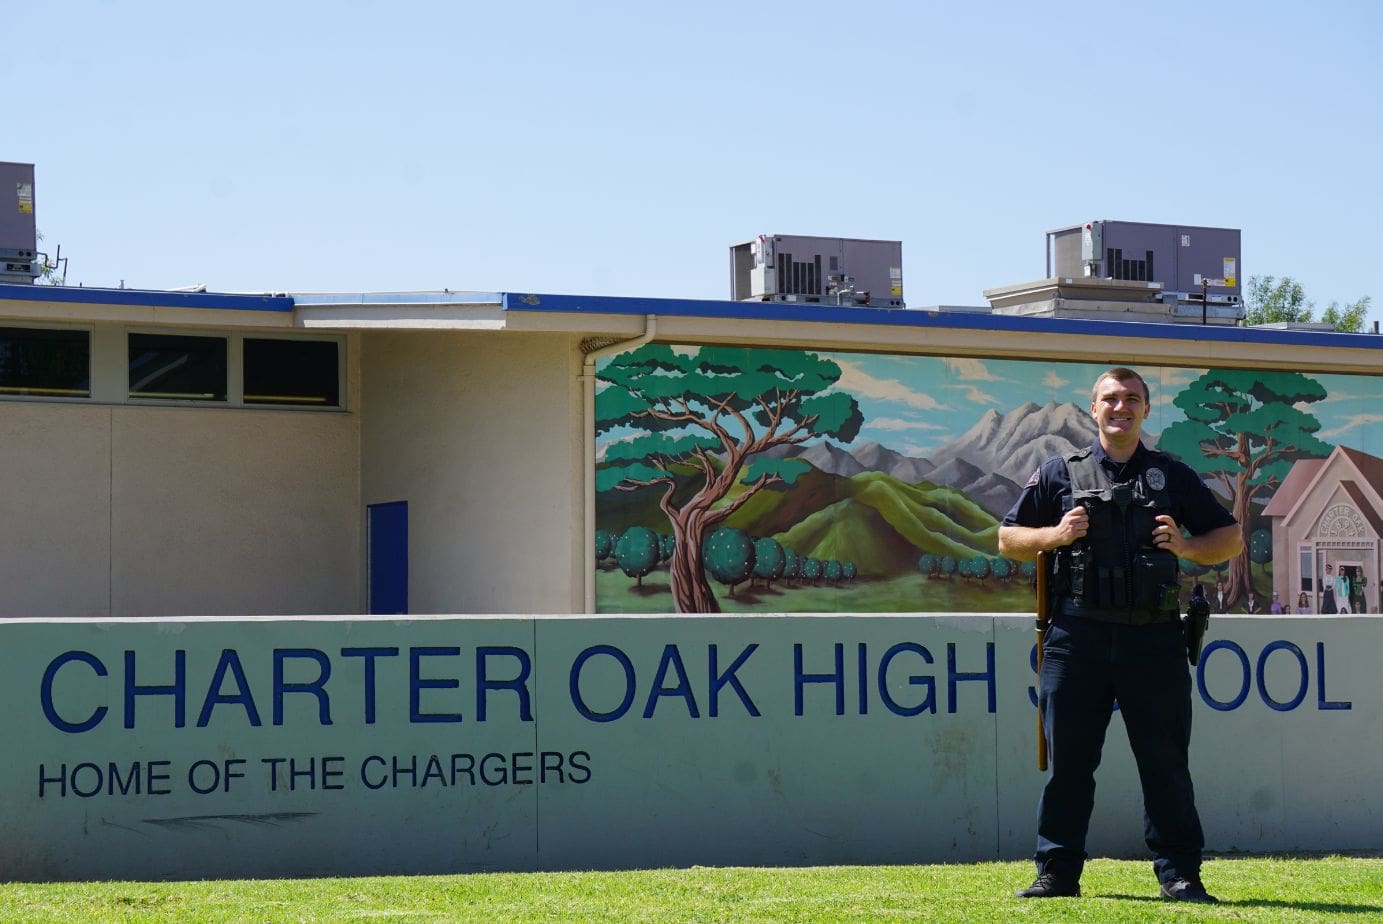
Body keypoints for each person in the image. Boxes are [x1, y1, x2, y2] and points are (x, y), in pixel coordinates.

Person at [1000, 367, 1242, 904]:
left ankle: (1180, 875)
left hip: (1152, 640)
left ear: (1145, 410)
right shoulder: (1058, 473)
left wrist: (1185, 547)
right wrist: (1053, 535)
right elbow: (1007, 539)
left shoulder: (1172, 477)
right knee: (1069, 764)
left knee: (1165, 764)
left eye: (1132, 399)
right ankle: (1057, 873)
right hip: (1075, 637)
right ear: (1094, 410)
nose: (1121, 407)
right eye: (1110, 399)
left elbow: (1229, 538)